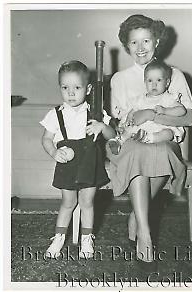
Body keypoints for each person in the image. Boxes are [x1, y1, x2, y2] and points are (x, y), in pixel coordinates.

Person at [107, 14, 192, 265]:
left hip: (164, 140)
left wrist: (154, 114)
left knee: (157, 148)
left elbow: (187, 119)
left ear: (157, 41)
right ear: (127, 46)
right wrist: (137, 120)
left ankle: (137, 213)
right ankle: (145, 234)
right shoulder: (120, 79)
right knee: (137, 149)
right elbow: (122, 122)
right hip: (132, 142)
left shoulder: (174, 74)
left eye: (146, 40)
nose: (141, 48)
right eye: (134, 43)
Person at [40, 60, 115, 259]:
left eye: (77, 87)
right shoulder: (55, 114)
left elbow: (112, 134)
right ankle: (59, 236)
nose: (71, 93)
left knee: (87, 201)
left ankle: (86, 238)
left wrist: (102, 127)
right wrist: (54, 153)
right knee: (67, 201)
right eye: (65, 87)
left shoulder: (95, 113)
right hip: (68, 165)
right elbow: (46, 139)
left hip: (91, 162)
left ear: (88, 89)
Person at [107, 59, 186, 155]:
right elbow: (132, 112)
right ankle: (119, 141)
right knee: (129, 130)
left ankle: (149, 138)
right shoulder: (140, 99)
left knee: (168, 134)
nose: (154, 84)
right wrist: (128, 120)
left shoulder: (168, 98)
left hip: (159, 129)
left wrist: (165, 110)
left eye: (159, 80)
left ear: (167, 82)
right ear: (145, 82)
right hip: (141, 129)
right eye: (150, 80)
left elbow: (181, 111)